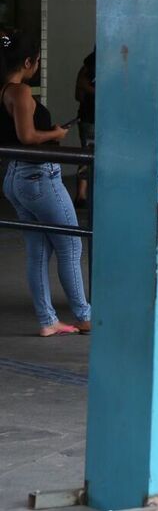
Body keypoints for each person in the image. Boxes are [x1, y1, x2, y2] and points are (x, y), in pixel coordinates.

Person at [0, 33, 91, 336]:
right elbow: (27, 137)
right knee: (70, 245)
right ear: (28, 62)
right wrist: (55, 134)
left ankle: (48, 320)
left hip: (15, 177)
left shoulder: (3, 91)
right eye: (37, 61)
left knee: (38, 250)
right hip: (38, 177)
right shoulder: (21, 92)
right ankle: (83, 314)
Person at [72, 48, 96, 207]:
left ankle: (81, 194)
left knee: (86, 155)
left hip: (88, 116)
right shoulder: (92, 66)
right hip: (91, 117)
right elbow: (79, 90)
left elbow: (77, 95)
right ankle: (82, 195)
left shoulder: (87, 67)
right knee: (88, 155)